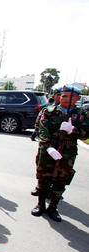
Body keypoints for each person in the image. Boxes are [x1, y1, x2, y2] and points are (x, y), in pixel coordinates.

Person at [31, 85, 89, 222]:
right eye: (64, 96)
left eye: (70, 96)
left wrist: (73, 130)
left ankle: (53, 207)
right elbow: (42, 128)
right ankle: (40, 204)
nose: (66, 99)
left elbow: (86, 133)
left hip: (67, 153)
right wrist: (48, 147)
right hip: (48, 151)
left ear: (78, 98)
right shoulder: (49, 110)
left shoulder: (82, 114)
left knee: (61, 180)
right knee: (44, 178)